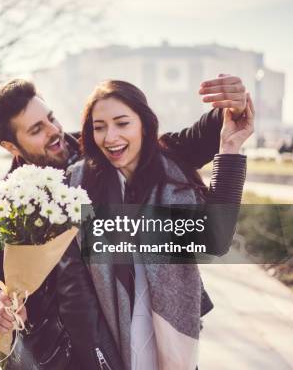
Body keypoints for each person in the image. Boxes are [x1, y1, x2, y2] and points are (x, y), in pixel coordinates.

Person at [0, 76, 249, 369]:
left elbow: (180, 146)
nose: (54, 131)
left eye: (51, 118)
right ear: (11, 146)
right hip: (77, 346)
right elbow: (0, 277)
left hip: (150, 315)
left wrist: (229, 111)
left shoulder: (100, 147)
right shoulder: (10, 202)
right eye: (36, 130)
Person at [69, 80, 253, 369]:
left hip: (170, 327)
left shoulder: (171, 168)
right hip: (110, 333)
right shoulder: (80, 183)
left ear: (144, 123)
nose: (110, 136)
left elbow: (215, 239)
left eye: (122, 123)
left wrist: (230, 144)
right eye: (99, 126)